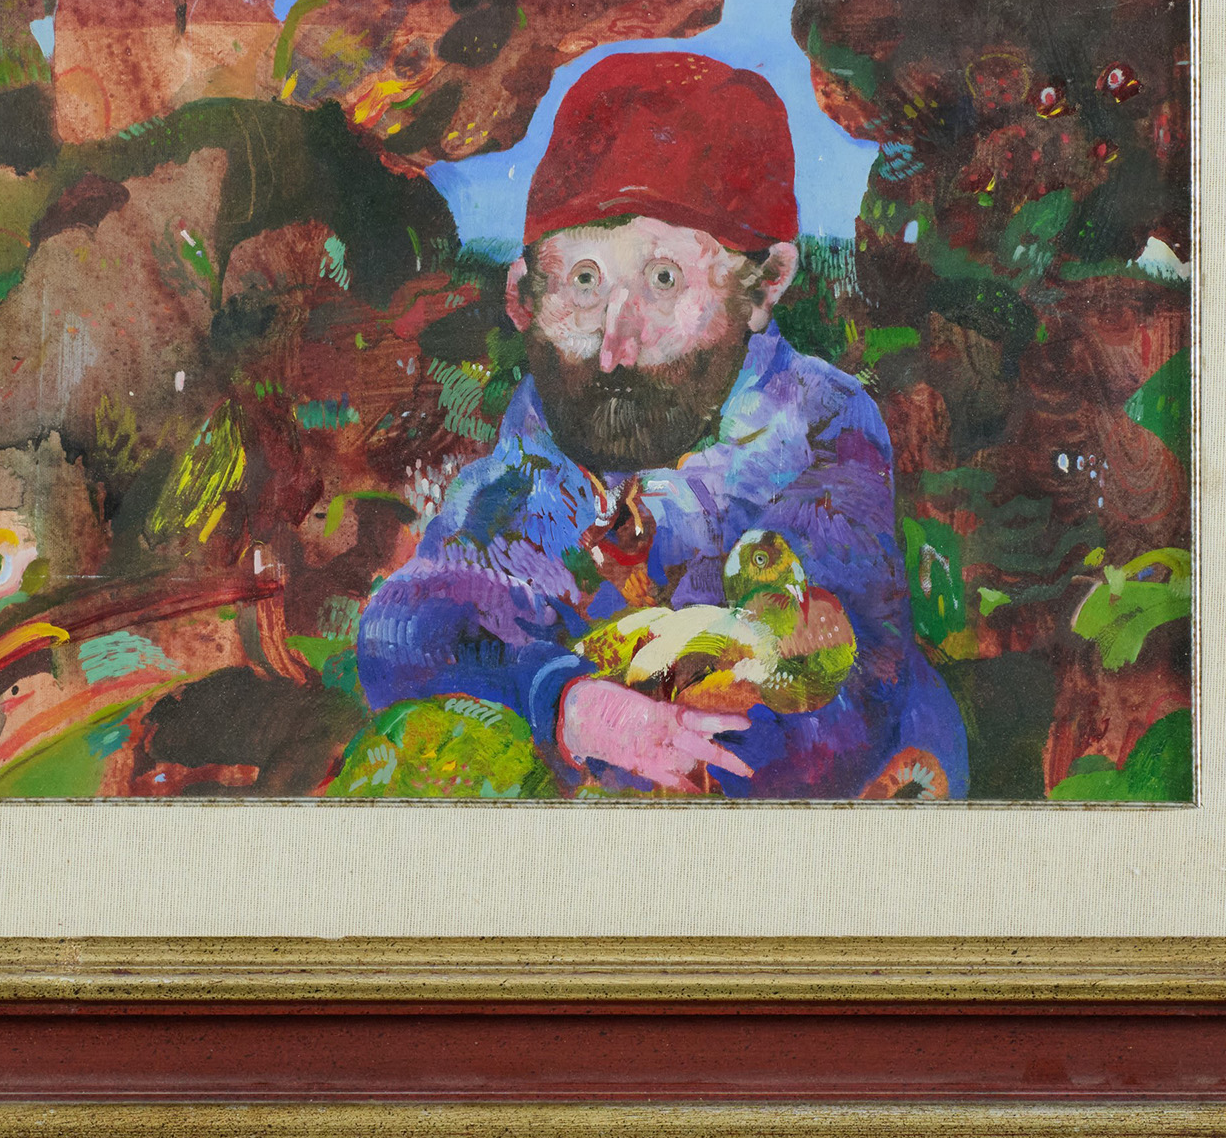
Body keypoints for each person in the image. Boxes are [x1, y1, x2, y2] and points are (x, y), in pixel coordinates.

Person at [353, 51, 969, 799]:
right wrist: (565, 700)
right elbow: (403, 632)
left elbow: (838, 705)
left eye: (664, 279)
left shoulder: (817, 427)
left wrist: (648, 718)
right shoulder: (541, 440)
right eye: (585, 281)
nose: (616, 346)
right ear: (523, 297)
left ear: (763, 287)